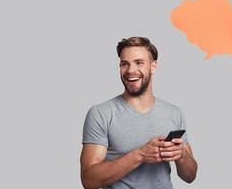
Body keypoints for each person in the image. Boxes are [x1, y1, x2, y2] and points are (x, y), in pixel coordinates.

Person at [80, 36, 198, 189]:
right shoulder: (101, 113)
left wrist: (181, 156)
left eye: (139, 63)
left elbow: (190, 176)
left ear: (153, 66)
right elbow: (89, 180)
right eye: (124, 64)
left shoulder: (174, 113)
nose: (130, 70)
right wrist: (140, 155)